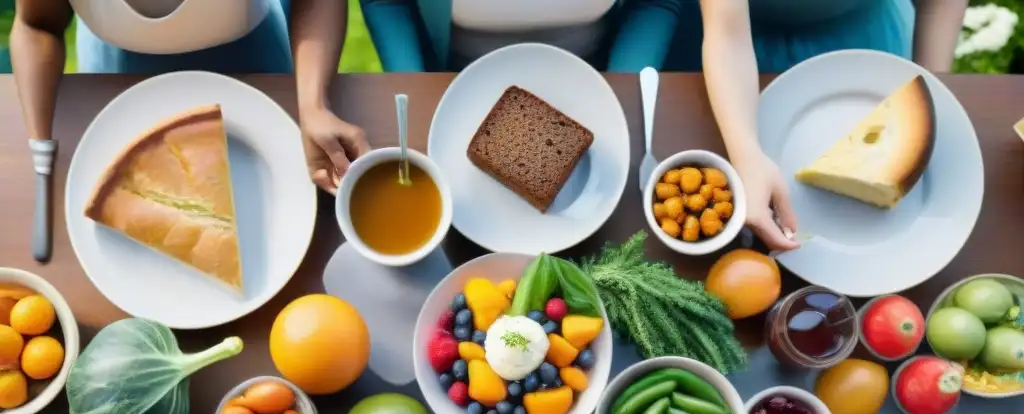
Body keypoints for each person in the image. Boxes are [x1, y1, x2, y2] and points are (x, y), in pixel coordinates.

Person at [612, 0, 968, 251]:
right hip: (729, 46)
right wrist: (748, 154)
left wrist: (933, 86)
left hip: (867, 34)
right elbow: (728, 32)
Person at [10, 0, 367, 194]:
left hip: (253, 66)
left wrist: (314, 103)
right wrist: (40, 143)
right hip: (118, 83)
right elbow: (37, 25)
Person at [359, 0, 675, 72]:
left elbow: (654, 2)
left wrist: (621, 87)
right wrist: (412, 81)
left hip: (597, 69)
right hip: (452, 77)